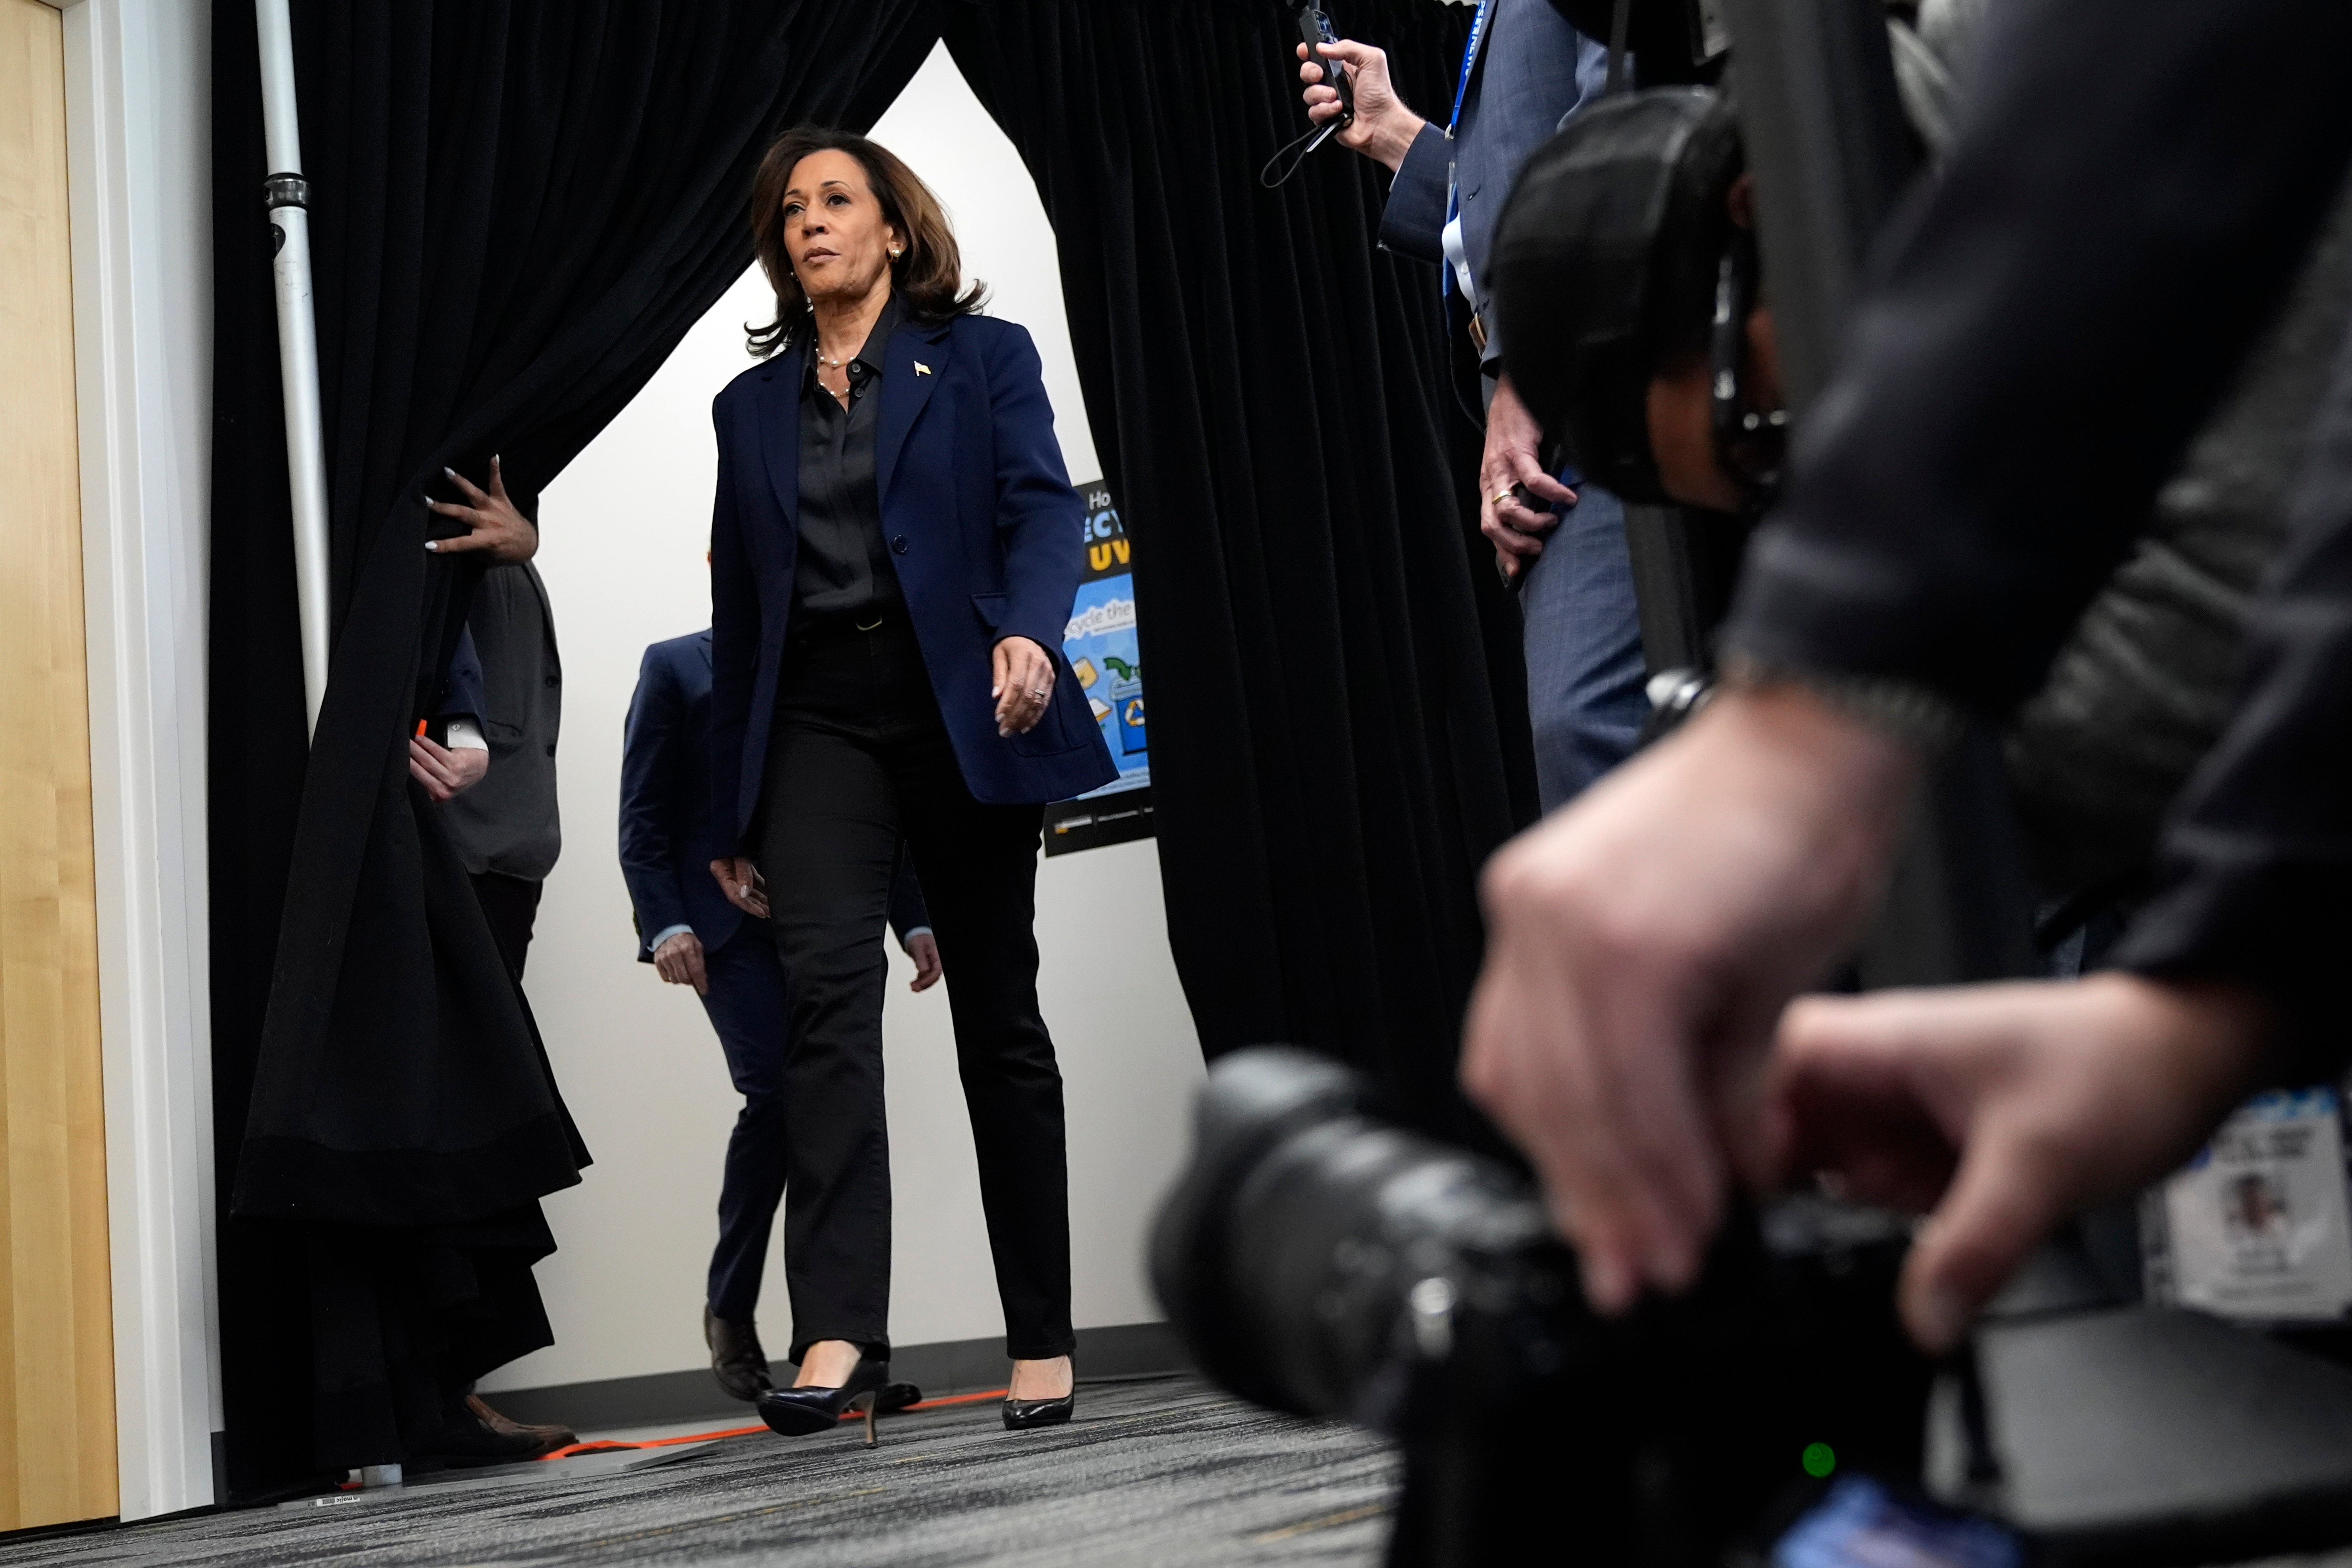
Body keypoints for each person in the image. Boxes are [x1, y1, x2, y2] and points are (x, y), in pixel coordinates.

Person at [1456, 0, 2352, 1346]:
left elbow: (2188, 677)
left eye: (1759, 414)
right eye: (1761, 472)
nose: (1807, 455)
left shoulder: (2040, 76)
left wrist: (1819, 733)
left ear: (1769, 216)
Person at [706, 125, 1116, 1438]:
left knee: (998, 1015)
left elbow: (1043, 510)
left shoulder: (982, 358)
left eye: (837, 201)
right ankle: (838, 1333)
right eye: (790, 212)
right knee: (826, 1004)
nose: (810, 223)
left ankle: (1041, 1338)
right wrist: (733, 806)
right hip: (819, 718)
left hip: (963, 702)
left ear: (893, 227)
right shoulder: (747, 407)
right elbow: (737, 610)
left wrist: (1032, 632)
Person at [1297, 2, 1648, 809]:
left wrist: (1529, 363)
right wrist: (1394, 138)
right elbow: (1506, 191)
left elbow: (1612, 139)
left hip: (1597, 385)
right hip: (1563, 400)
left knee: (1591, 729)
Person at [619, 625, 940, 1405]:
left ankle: (849, 1350)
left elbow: (871, 805)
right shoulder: (674, 667)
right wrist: (663, 923)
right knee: (781, 1099)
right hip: (722, 935)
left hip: (823, 918)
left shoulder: (816, 660)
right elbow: (644, 812)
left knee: (843, 1106)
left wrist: (914, 918)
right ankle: (732, 1307)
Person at [427, 457, 563, 981]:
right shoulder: (449, 543)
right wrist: (464, 736)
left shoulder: (512, 553)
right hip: (464, 842)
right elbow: (444, 658)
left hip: (509, 851)